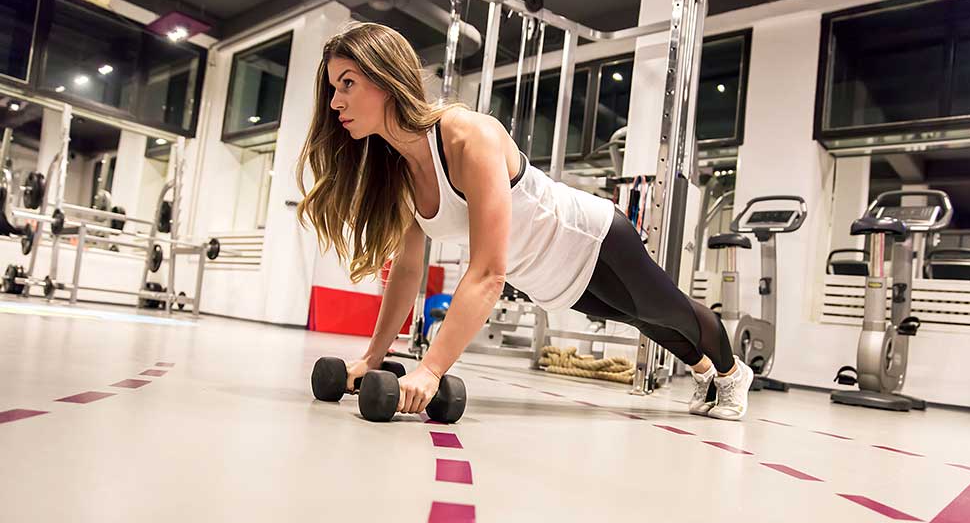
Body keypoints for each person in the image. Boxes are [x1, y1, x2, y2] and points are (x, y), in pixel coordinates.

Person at [296, 22, 754, 421]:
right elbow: (408, 270)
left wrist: (431, 369)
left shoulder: (465, 136)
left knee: (666, 310)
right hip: (545, 274)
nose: (336, 102)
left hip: (591, 238)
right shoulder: (401, 172)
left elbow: (489, 271)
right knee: (640, 318)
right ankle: (702, 372)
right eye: (334, 88)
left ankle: (732, 375)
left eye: (348, 83)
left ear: (386, 78)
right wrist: (373, 358)